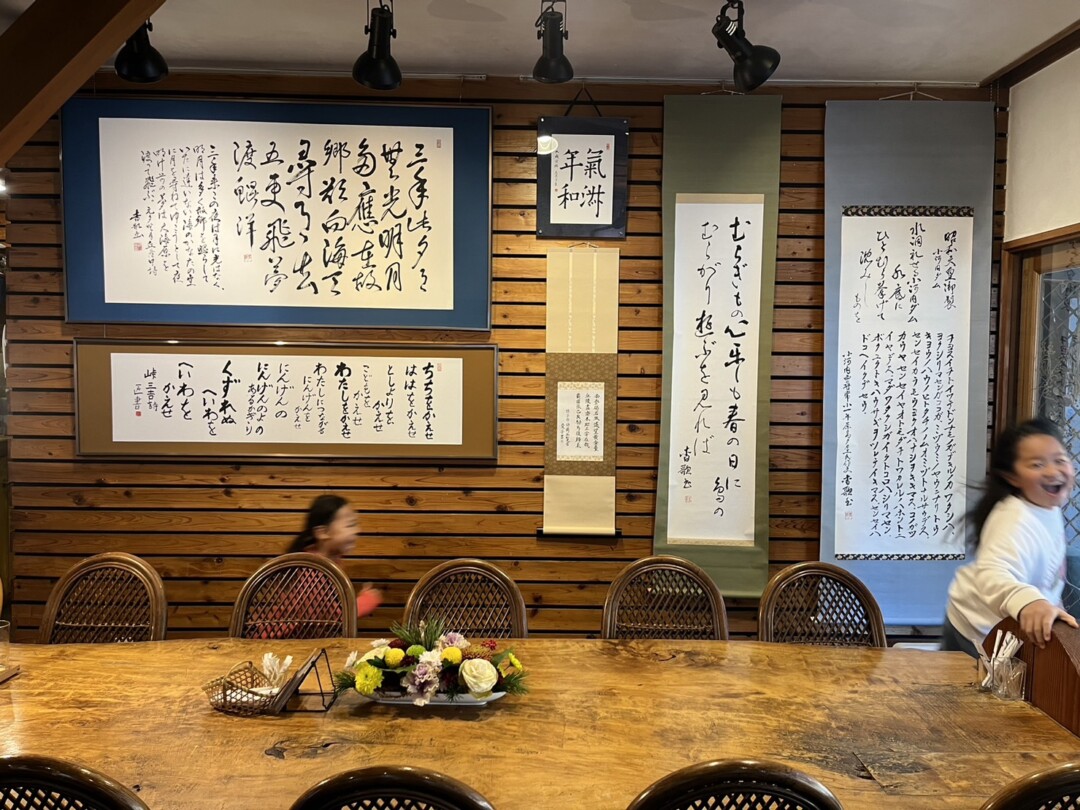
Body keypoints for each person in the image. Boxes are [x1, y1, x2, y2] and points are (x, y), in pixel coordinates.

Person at [942, 418, 1079, 657]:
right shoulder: (1014, 520)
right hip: (976, 628)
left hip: (1007, 628)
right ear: (1012, 476)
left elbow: (1048, 572)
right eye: (1037, 464)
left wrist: (1051, 604)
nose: (1052, 471)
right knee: (970, 681)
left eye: (1059, 460)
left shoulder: (1047, 506)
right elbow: (993, 573)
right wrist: (1029, 602)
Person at [285, 494, 382, 618]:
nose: (357, 530)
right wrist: (367, 601)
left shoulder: (329, 562)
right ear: (323, 532)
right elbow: (327, 618)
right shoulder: (312, 571)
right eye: (350, 525)